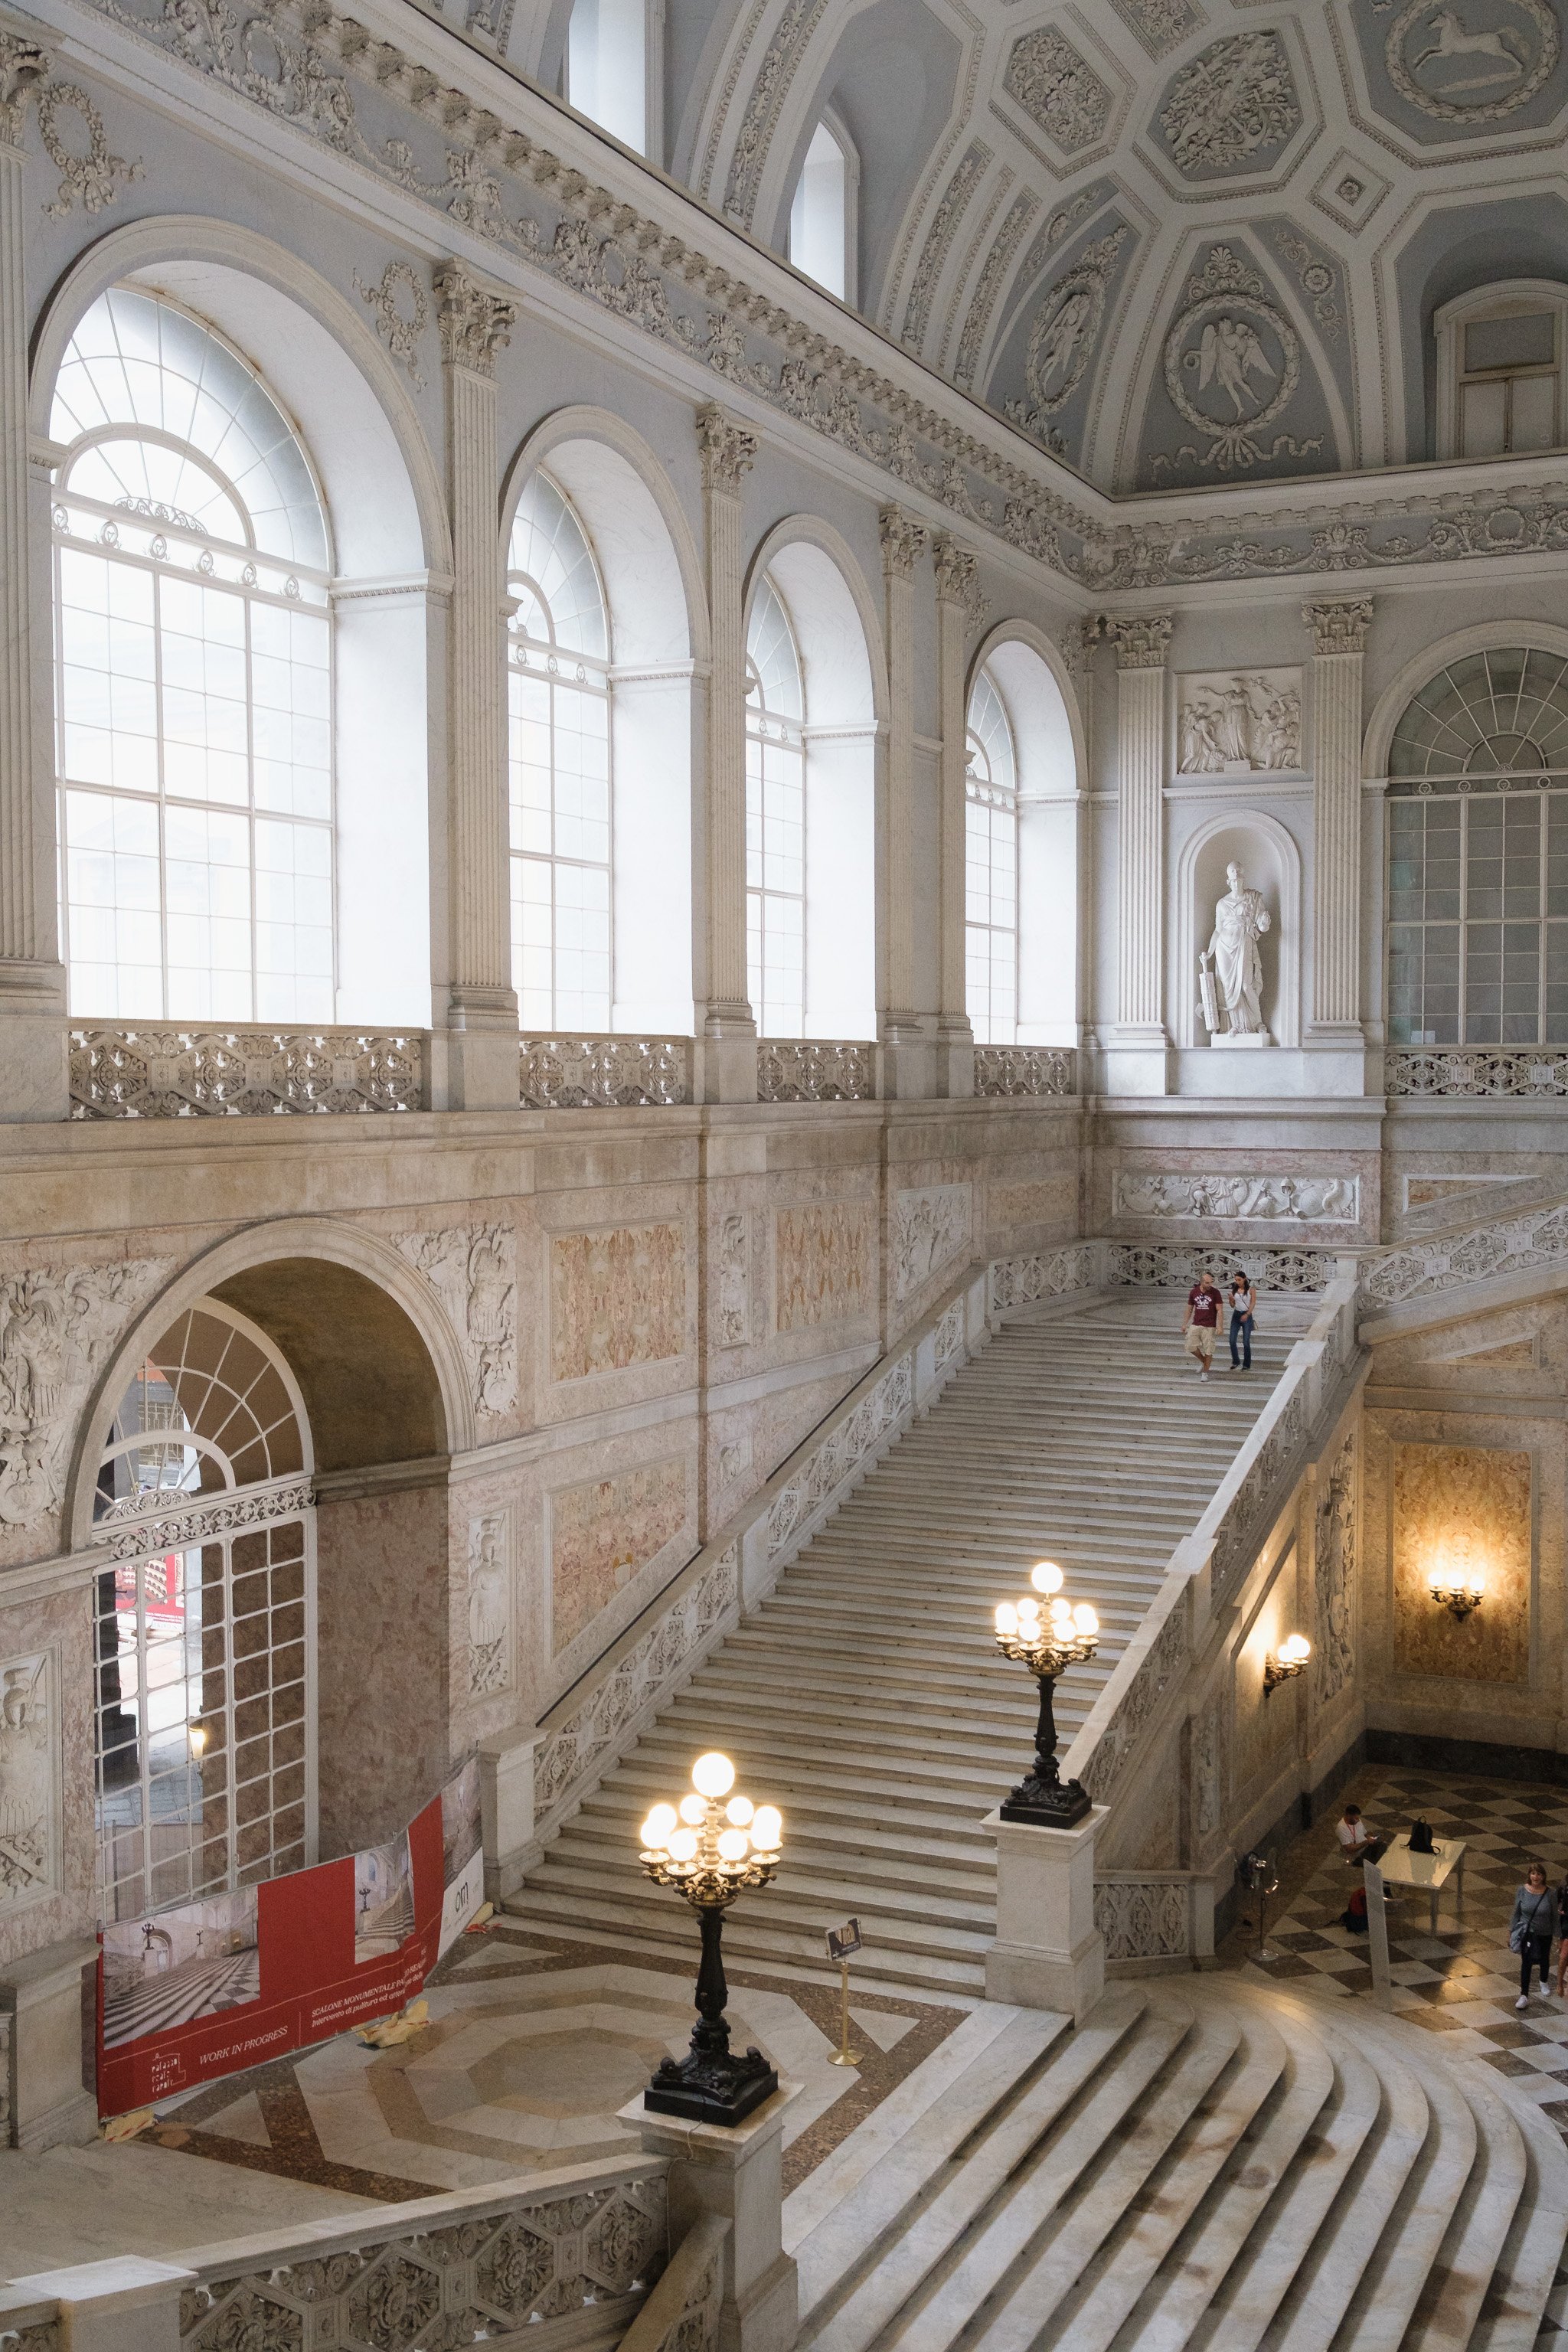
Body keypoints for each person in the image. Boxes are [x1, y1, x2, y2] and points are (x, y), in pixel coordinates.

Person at [1511, 1860, 1557, 2009]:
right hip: (1527, 1933)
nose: (1535, 1877)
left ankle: (1543, 1981)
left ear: (1543, 1876)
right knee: (1527, 1962)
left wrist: (1558, 1936)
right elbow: (1516, 1912)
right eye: (1533, 1874)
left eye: (1539, 1874)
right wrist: (1510, 1931)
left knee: (1544, 1958)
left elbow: (1554, 1916)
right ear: (1529, 1876)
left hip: (1545, 1933)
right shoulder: (1522, 1891)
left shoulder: (1550, 1893)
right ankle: (1524, 1994)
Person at [1183, 1269, 1223, 1380]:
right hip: (1196, 1323)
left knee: (1208, 1349)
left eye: (1211, 1282)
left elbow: (1219, 1310)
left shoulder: (1215, 1293)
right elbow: (1189, 1309)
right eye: (1207, 1283)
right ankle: (1204, 1361)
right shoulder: (1194, 1292)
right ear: (1202, 1282)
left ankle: (1205, 1372)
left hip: (1209, 1325)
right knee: (1190, 1345)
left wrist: (1220, 1325)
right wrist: (1185, 1324)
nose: (1210, 1285)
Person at [1229, 1271, 1256, 1372]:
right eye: (1236, 1280)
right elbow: (1232, 1305)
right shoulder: (1235, 1290)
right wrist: (1231, 1300)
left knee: (1246, 1341)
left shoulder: (1251, 1290)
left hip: (1246, 1314)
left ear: (1244, 1279)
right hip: (1236, 1314)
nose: (1237, 1282)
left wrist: (1247, 1314)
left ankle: (1247, 1364)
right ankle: (1236, 1360)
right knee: (1232, 1340)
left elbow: (1253, 1303)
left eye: (1239, 1280)